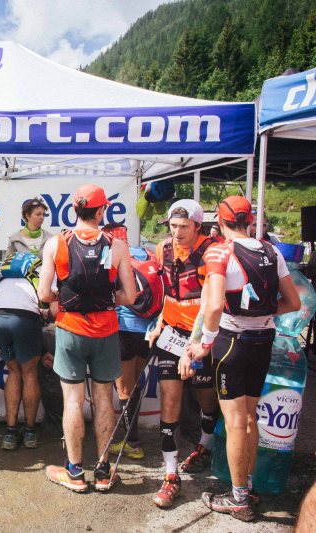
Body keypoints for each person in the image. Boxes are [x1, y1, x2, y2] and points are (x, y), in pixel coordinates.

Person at [188, 196, 300, 521]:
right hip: (262, 340)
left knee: (236, 422)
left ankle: (238, 499)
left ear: (220, 223)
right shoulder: (271, 250)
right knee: (251, 417)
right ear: (249, 220)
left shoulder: (220, 251)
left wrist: (204, 343)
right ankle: (247, 487)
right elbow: (292, 302)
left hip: (231, 342)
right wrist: (262, 312)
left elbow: (213, 305)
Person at [38, 184, 135, 493]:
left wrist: (65, 297)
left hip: (70, 329)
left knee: (73, 400)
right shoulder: (116, 245)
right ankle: (104, 471)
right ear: (101, 211)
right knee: (104, 398)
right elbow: (130, 295)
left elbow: (43, 296)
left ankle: (76, 472)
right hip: (106, 330)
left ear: (74, 209)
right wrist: (106, 300)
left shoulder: (56, 244)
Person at [146, 199, 222, 509]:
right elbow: (168, 291)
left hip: (202, 338)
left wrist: (196, 348)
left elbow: (209, 304)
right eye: (173, 226)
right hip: (172, 333)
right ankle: (170, 474)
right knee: (170, 399)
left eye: (183, 227)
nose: (177, 232)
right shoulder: (163, 249)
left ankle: (205, 445)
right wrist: (158, 324)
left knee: (206, 397)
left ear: (197, 227)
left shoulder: (212, 252)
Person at [104, 223, 158, 461]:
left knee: (124, 389)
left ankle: (132, 443)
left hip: (124, 329)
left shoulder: (113, 257)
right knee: (135, 385)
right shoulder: (146, 253)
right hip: (148, 330)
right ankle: (132, 439)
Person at [0, 253, 45, 450]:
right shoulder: (39, 270)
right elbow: (48, 301)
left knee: (13, 371)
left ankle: (10, 433)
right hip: (24, 318)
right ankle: (29, 432)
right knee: (29, 373)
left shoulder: (4, 276)